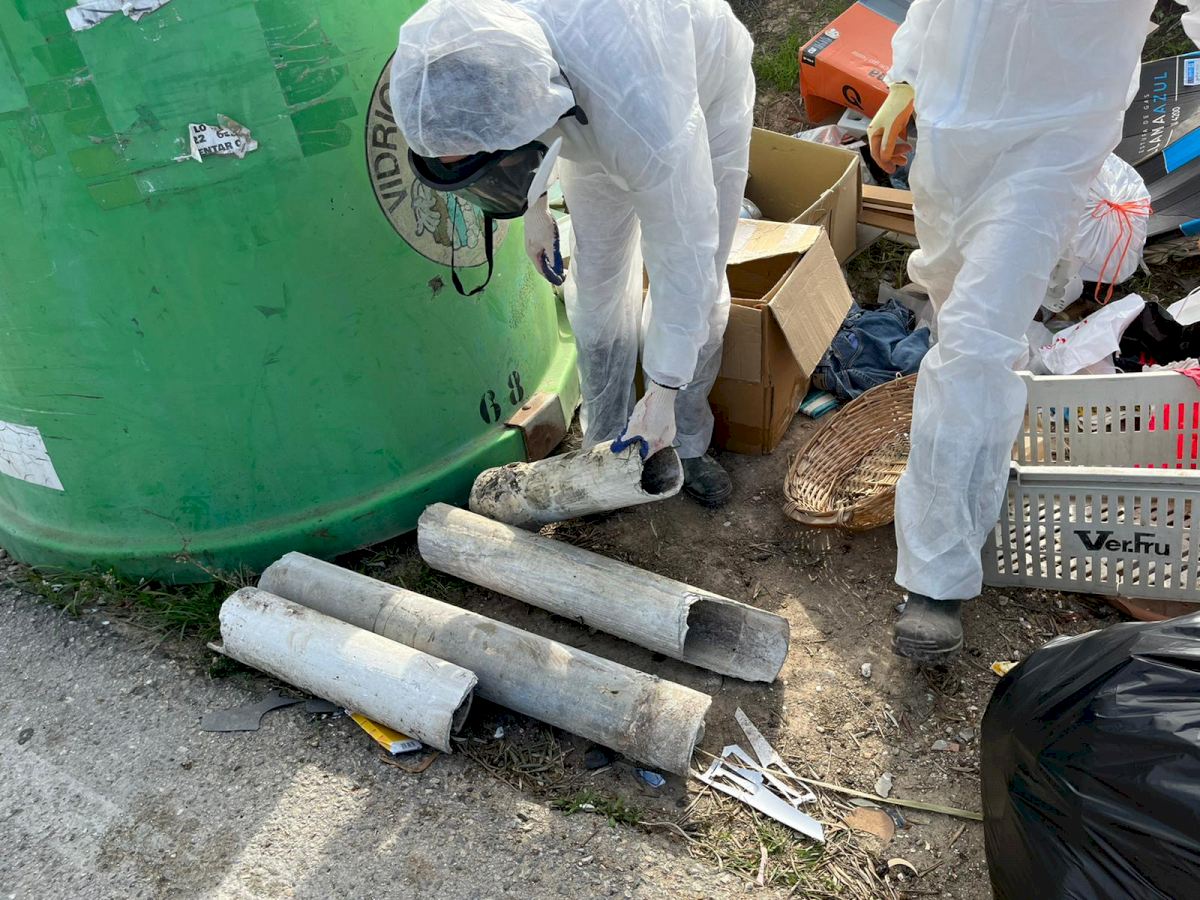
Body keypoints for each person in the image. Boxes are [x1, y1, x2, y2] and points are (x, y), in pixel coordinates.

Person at [868, 0, 1200, 663]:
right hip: (951, 129)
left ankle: (936, 577)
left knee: (974, 342)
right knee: (956, 311)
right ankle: (983, 450)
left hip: (1055, 135)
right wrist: (907, 73)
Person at [390, 0, 755, 507]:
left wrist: (665, 388)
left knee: (700, 277)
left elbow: (686, 254)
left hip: (695, 93)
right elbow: (505, 131)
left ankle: (684, 439)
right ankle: (604, 450)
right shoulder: (486, 41)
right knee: (599, 275)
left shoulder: (648, 118)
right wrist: (535, 207)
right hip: (580, 99)